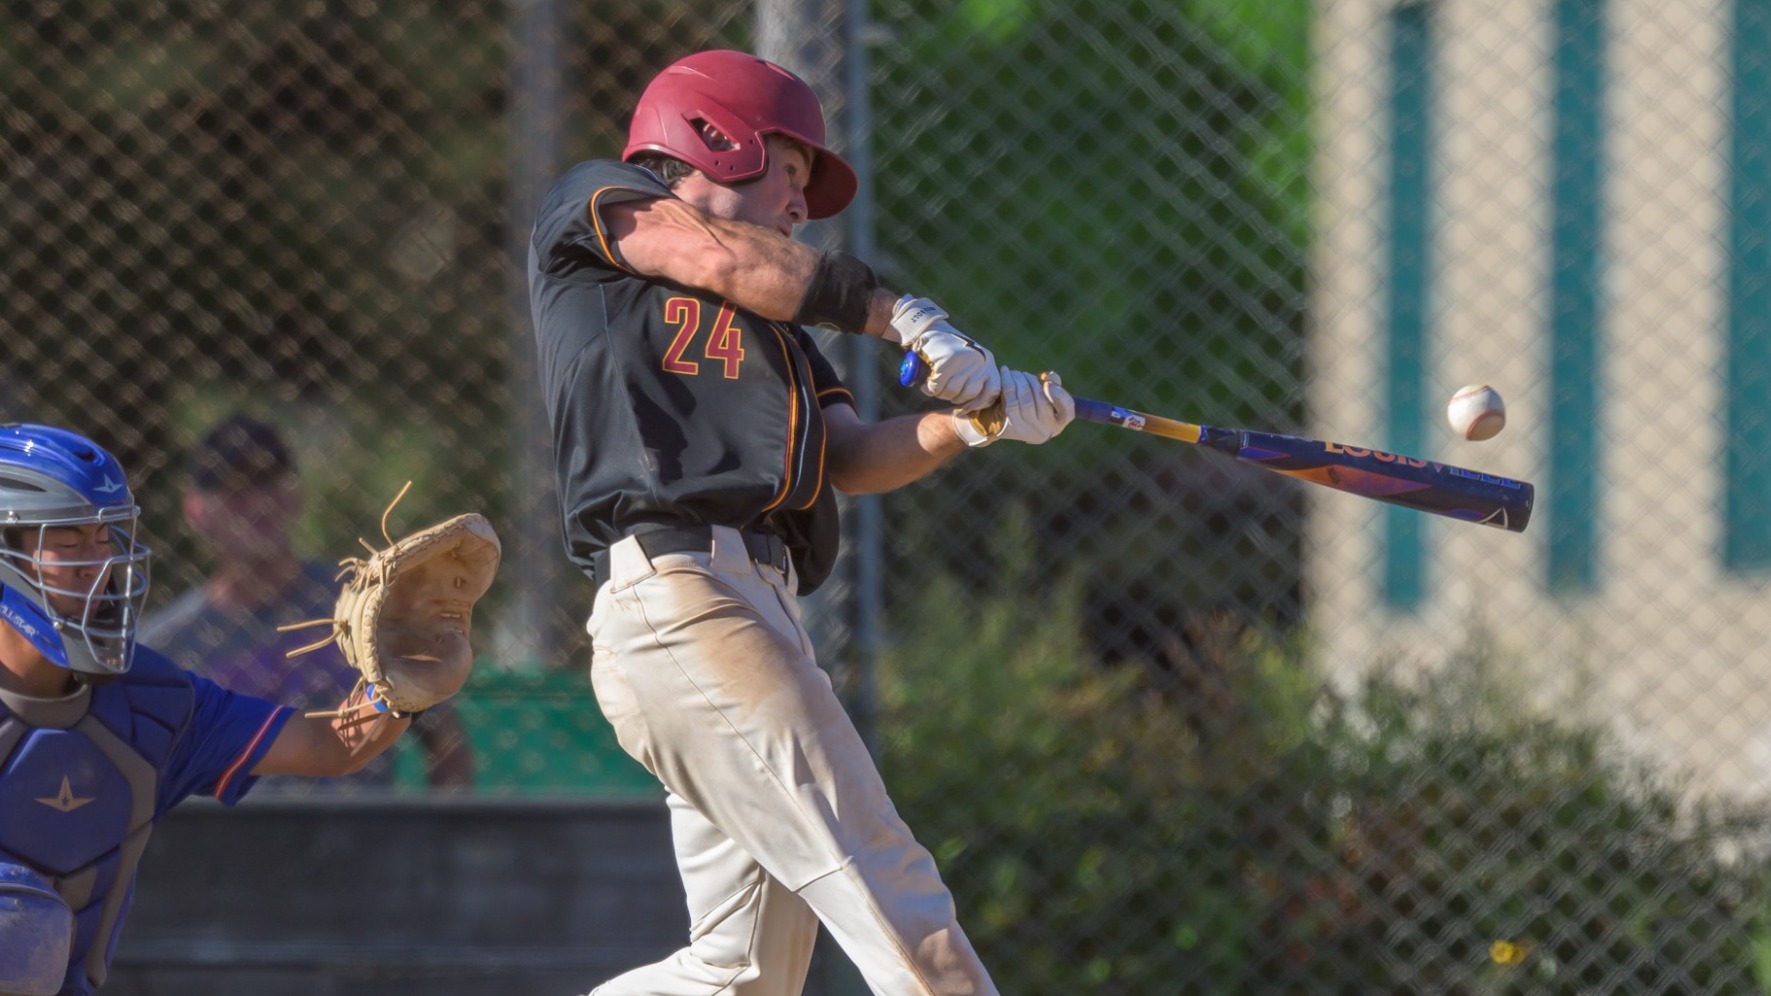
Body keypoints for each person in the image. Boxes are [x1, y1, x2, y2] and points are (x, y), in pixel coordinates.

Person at [528, 49, 1075, 995]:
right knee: (890, 888)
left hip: (751, 612)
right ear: (713, 138)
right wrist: (899, 313)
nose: (801, 206)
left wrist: (968, 421)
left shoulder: (775, 324)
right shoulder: (601, 206)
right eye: (789, 172)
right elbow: (716, 253)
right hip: (684, 598)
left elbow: (851, 458)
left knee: (738, 976)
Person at [0, 422, 426, 996]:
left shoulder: (150, 701)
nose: (97, 567)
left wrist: (404, 681)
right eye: (69, 543)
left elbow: (330, 745)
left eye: (106, 540)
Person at [139, 413, 474, 793]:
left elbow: (446, 744)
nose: (257, 503)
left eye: (267, 482)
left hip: (361, 842)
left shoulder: (368, 609)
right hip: (229, 846)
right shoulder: (166, 647)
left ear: (295, 494)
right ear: (196, 509)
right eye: (233, 490)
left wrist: (435, 845)